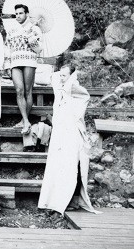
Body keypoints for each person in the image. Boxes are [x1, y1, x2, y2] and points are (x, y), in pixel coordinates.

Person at [38, 64, 98, 215]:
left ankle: (72, 199)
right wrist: (61, 76)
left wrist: (69, 82)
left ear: (72, 76)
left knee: (71, 165)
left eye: (65, 76)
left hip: (72, 132)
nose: (62, 78)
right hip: (60, 133)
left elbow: (83, 100)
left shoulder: (76, 89)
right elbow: (51, 77)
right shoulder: (60, 87)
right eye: (62, 75)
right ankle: (55, 200)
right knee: (58, 165)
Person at [6, 4, 42, 134]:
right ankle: (26, 121)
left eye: (21, 13)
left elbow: (39, 49)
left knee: (28, 90)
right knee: (19, 90)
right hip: (15, 61)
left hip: (29, 60)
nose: (18, 16)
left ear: (27, 14)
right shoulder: (11, 30)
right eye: (16, 14)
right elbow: (7, 48)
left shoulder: (35, 29)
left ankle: (23, 120)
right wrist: (7, 64)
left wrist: (31, 38)